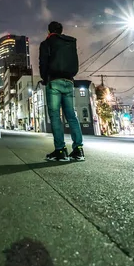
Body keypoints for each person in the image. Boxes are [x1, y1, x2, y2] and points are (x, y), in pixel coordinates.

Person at [39, 21, 84, 162]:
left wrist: (45, 78)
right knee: (71, 116)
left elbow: (43, 63)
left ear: (49, 31)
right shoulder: (69, 42)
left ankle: (60, 151)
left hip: (54, 82)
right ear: (61, 30)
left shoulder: (47, 43)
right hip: (69, 81)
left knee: (55, 117)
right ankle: (78, 150)